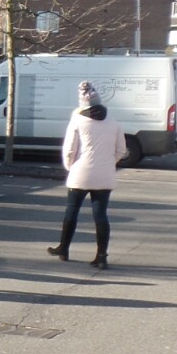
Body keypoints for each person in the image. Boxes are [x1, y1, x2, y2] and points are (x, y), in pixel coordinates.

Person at [48, 79, 129, 270]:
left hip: (81, 173)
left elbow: (69, 149)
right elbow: (121, 150)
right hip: (105, 175)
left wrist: (71, 166)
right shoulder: (114, 123)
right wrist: (109, 163)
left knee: (72, 211)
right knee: (100, 215)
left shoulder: (78, 121)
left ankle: (64, 248)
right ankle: (101, 256)